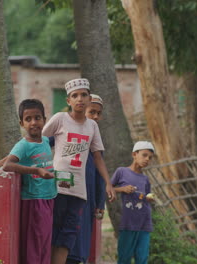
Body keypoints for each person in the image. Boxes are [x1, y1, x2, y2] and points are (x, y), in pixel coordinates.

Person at [42, 78, 116, 264]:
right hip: (58, 188)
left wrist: (107, 185)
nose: (80, 99)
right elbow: (39, 142)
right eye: (75, 96)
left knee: (71, 234)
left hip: (81, 192)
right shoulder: (60, 121)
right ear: (68, 101)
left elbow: (98, 158)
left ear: (89, 98)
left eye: (84, 95)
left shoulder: (92, 128)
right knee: (55, 229)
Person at [0, 99, 56, 264]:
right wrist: (36, 171)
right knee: (34, 245)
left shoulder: (46, 141)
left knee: (44, 243)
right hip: (34, 201)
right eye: (28, 119)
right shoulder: (24, 145)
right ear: (21, 123)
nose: (34, 122)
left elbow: (6, 160)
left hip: (48, 198)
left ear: (44, 119)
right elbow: (9, 165)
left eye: (37, 118)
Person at [65, 94, 106, 264]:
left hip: (88, 198)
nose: (95, 116)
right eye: (92, 112)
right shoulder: (66, 130)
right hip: (67, 193)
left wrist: (100, 203)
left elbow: (99, 175)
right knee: (67, 237)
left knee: (81, 241)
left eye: (98, 113)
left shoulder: (95, 139)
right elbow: (42, 143)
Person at [111, 141, 156, 264]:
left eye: (150, 158)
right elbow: (108, 188)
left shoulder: (145, 179)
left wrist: (149, 198)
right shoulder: (122, 172)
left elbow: (145, 196)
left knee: (142, 259)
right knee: (124, 258)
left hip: (144, 223)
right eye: (144, 155)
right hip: (128, 223)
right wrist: (122, 189)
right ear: (134, 154)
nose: (147, 159)